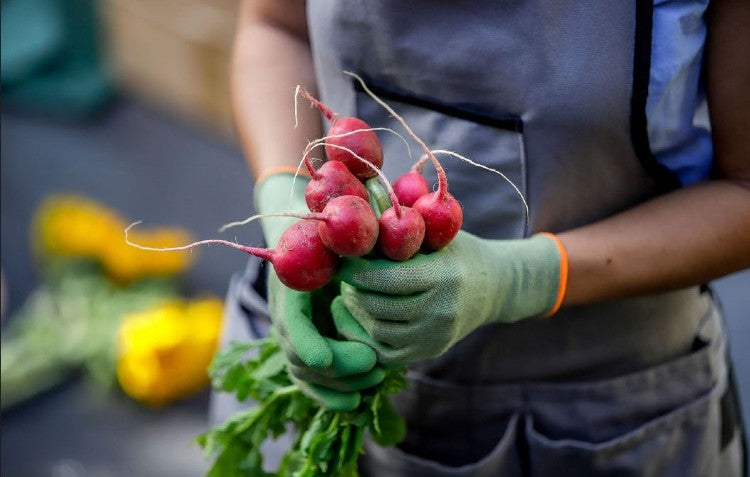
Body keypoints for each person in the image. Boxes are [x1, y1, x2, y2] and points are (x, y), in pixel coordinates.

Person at [212, 0, 750, 475]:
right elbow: (275, 28)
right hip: (327, 326)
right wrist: (286, 201)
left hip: (596, 398)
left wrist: (522, 278)